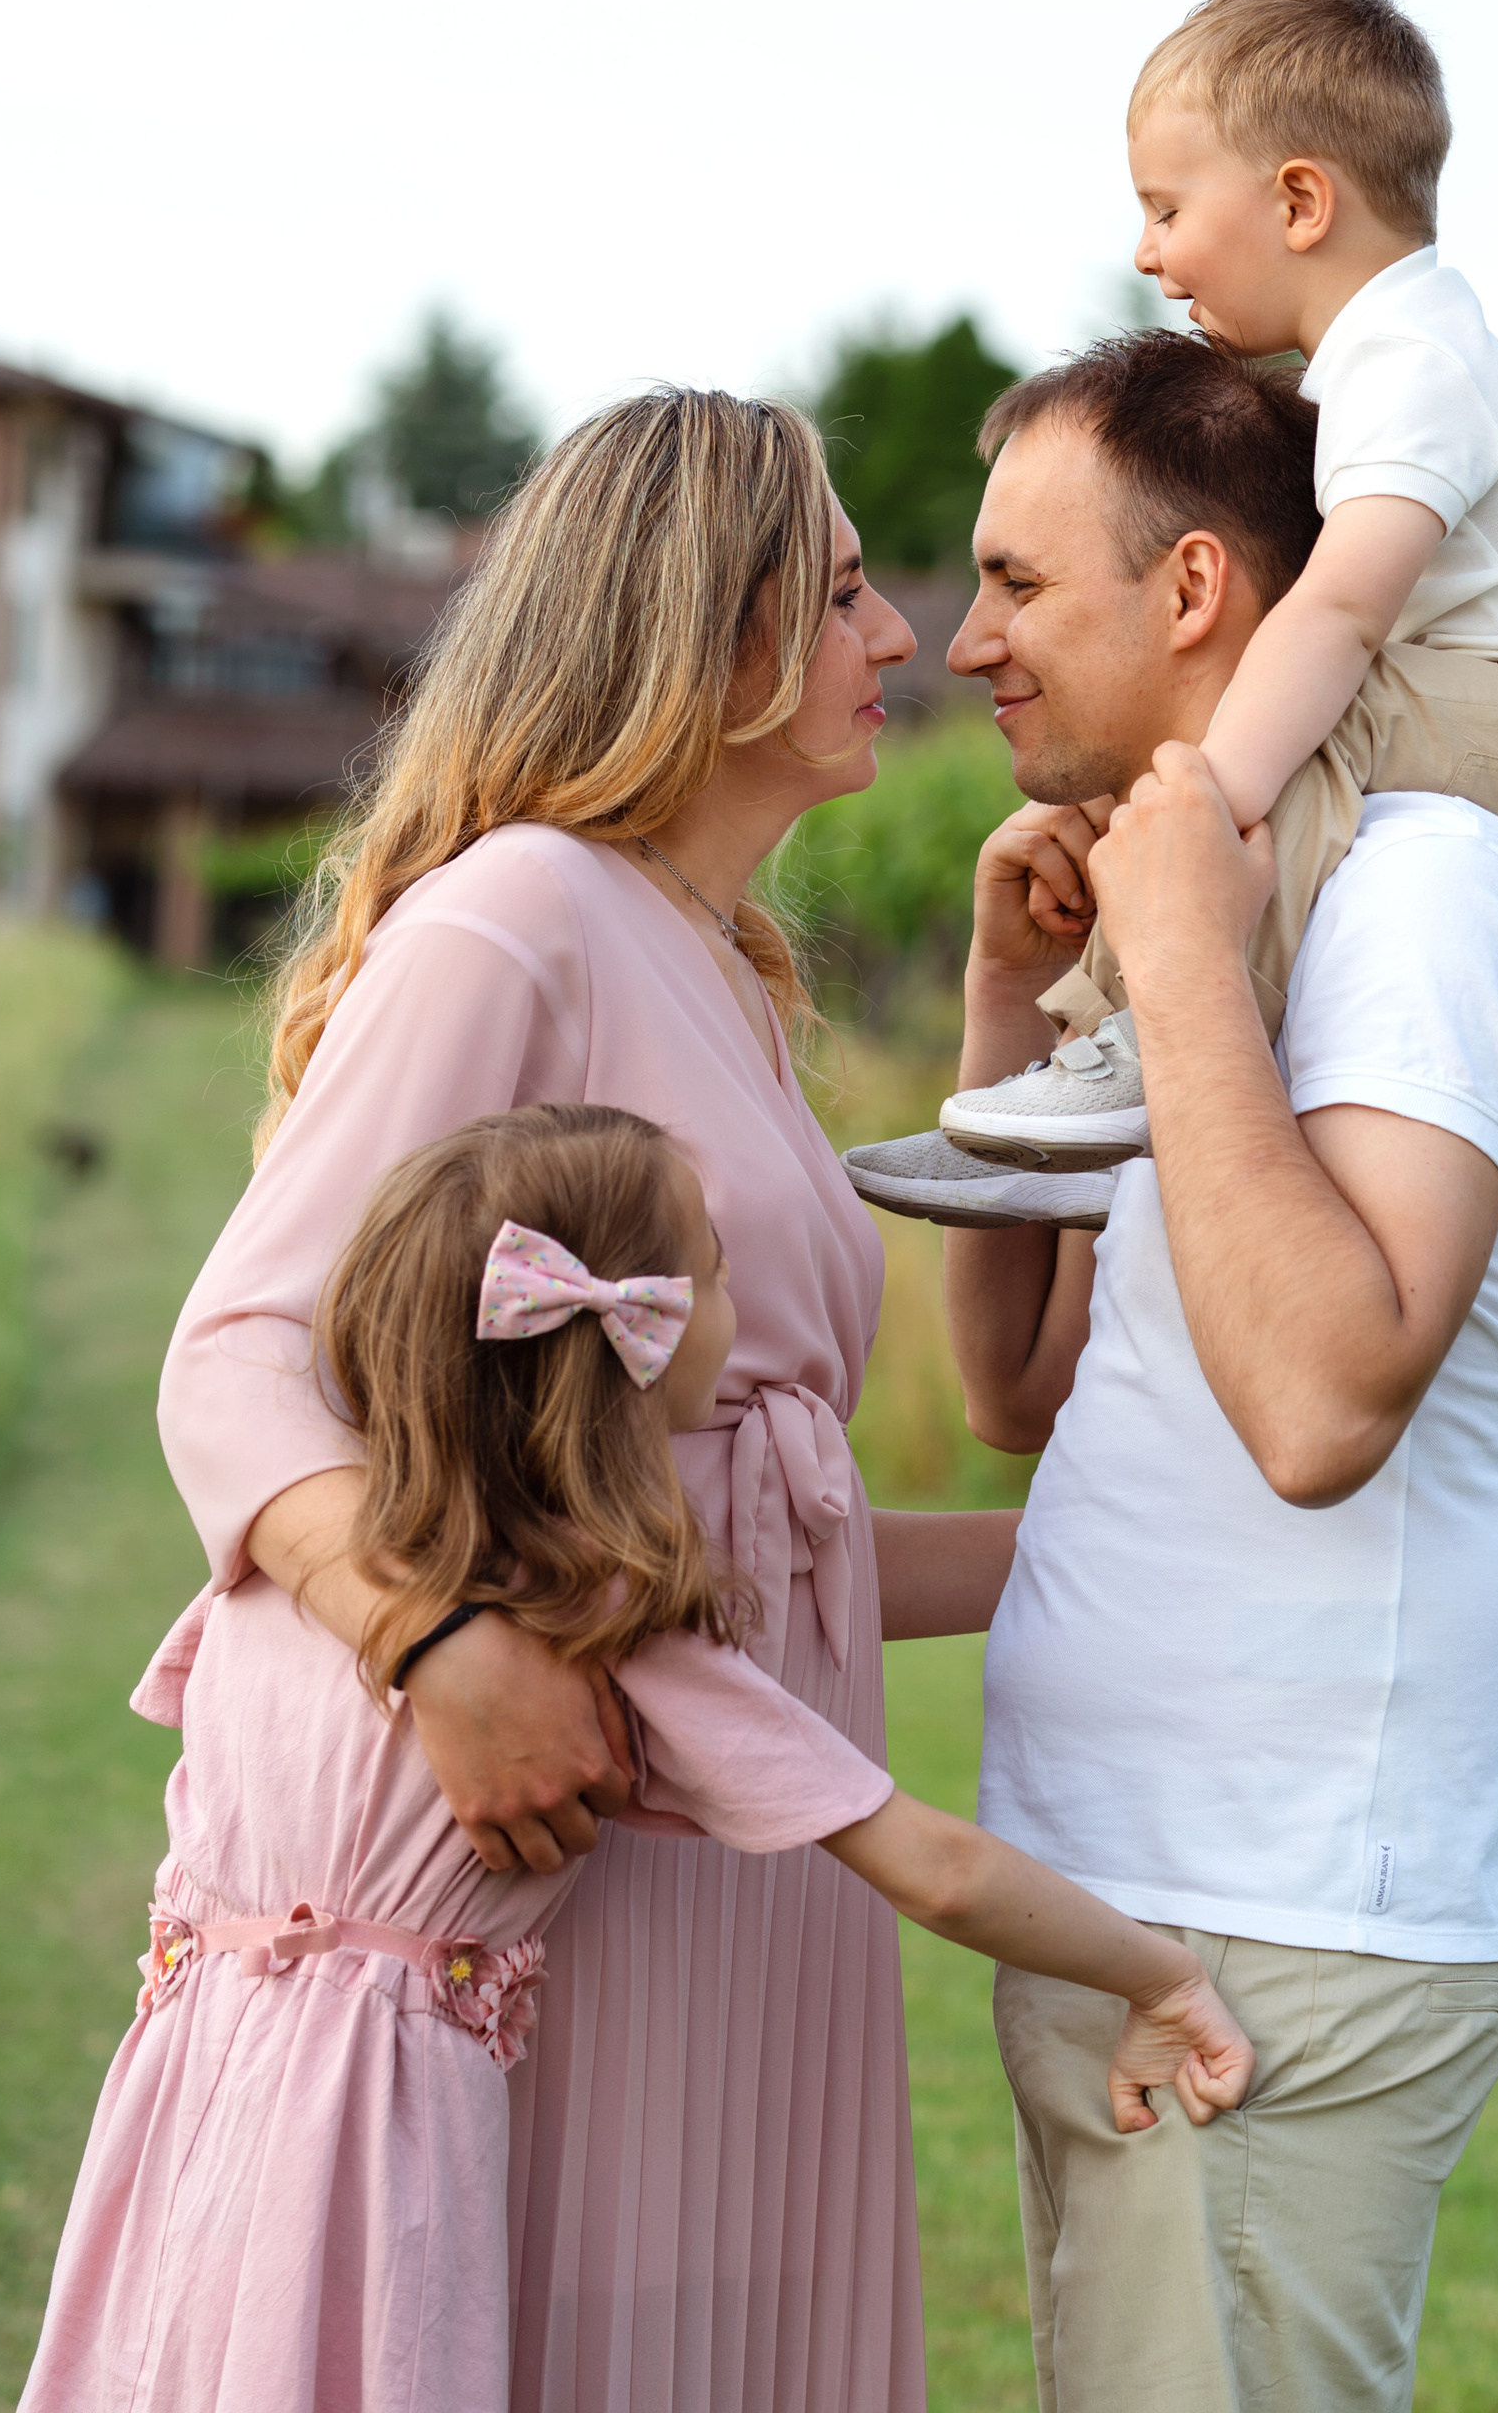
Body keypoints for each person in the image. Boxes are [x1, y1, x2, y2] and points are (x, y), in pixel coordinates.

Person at [154, 388, 1004, 2413]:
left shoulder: (717, 967)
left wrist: (1139, 1539)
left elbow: (749, 1530)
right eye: (844, 590)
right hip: (586, 1873)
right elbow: (234, 1359)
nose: (900, 639)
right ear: (698, 636)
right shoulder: (516, 919)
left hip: (747, 1860)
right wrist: (432, 1636)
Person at [23, 1105, 1249, 2413]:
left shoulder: (273, 1580)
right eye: (719, 1272)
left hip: (186, 2099)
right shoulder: (593, 1628)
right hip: (381, 2145)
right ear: (636, 1335)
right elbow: (935, 1869)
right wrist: (1159, 1977)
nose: (736, 1308)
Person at [940, 334, 1498, 2412]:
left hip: (1272, 1932)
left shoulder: (1421, 892)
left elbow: (1323, 1402)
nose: (966, 643)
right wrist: (1005, 986)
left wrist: (1172, 970)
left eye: (1016, 585)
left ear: (1198, 591)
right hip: (1133, 1903)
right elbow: (1016, 1388)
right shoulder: (1225, 891)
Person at [939, 0, 1498, 1166]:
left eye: (1168, 208)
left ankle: (1139, 1036)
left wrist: (1195, 806)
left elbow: (1339, 616)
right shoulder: (1372, 367)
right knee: (1230, 725)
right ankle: (1085, 1070)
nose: (1146, 250)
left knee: (1282, 722)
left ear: (1298, 203)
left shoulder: (1412, 361)